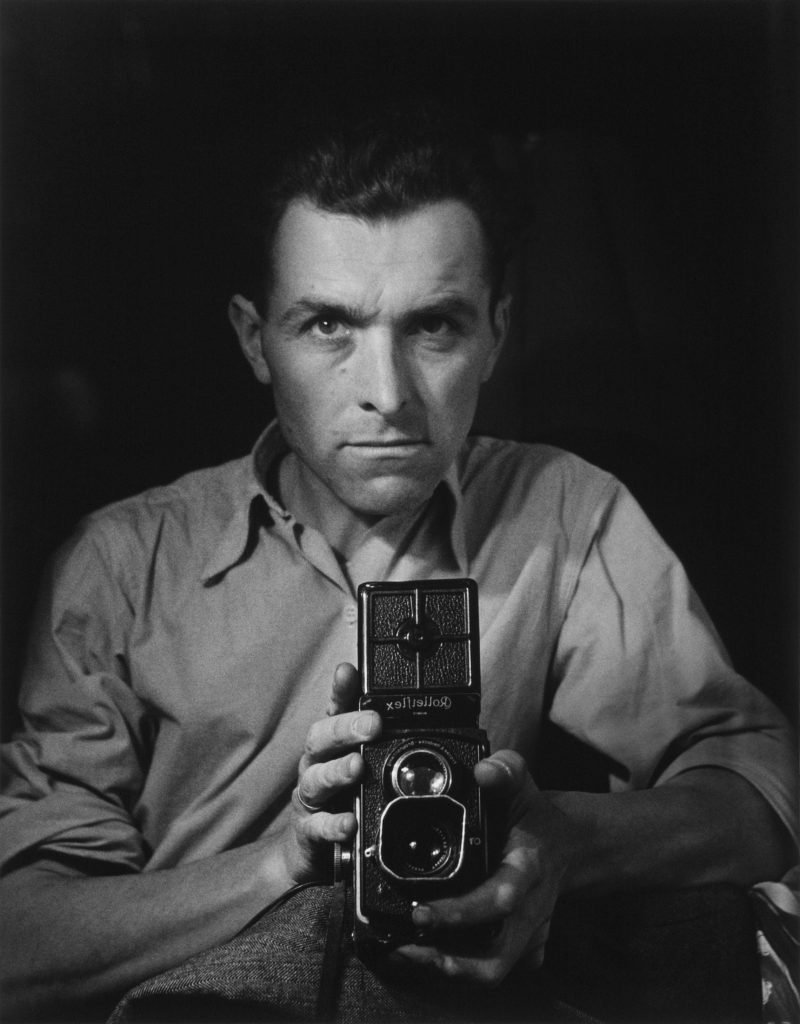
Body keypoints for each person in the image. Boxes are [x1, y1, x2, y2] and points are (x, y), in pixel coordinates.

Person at [1, 106, 795, 1022]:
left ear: (496, 332)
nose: (386, 393)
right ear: (255, 340)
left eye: (435, 326)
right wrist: (284, 865)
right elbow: (21, 947)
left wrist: (563, 841)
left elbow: (763, 791)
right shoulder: (120, 563)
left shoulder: (562, 511)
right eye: (328, 326)